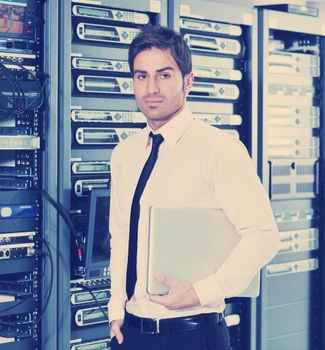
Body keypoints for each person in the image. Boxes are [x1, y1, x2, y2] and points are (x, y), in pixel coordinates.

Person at [107, 25, 281, 350]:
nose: (151, 88)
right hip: (129, 335)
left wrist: (201, 292)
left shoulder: (218, 150)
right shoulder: (125, 154)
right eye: (141, 76)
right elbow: (121, 235)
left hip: (192, 335)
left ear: (188, 80)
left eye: (164, 75)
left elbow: (264, 236)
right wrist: (116, 307)